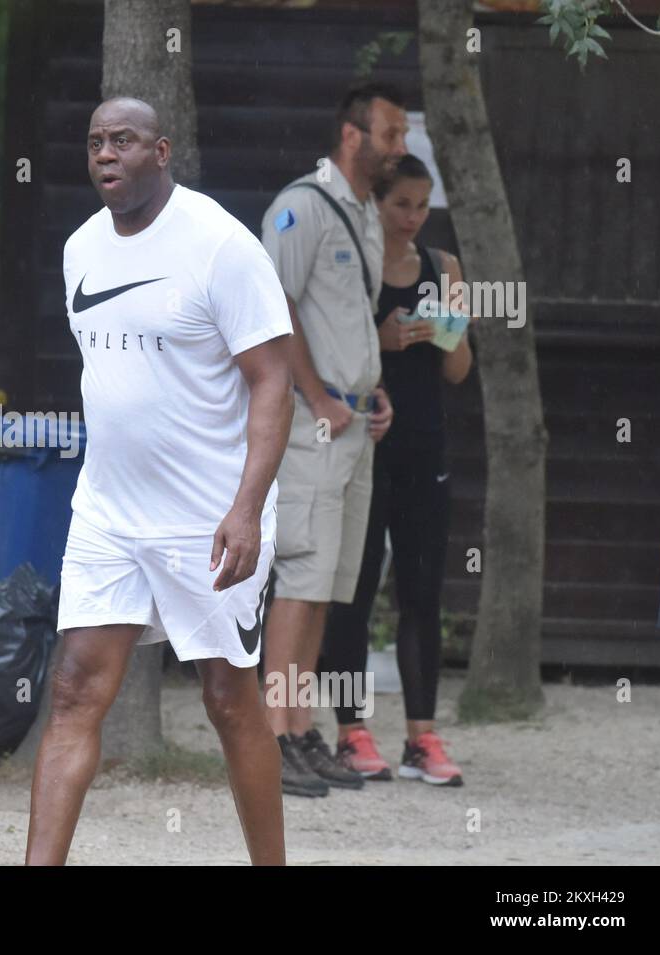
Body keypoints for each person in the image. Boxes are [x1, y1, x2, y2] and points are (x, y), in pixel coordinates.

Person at [25, 97, 294, 866]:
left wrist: (246, 509)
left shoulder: (219, 246)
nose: (106, 154)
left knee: (227, 698)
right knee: (75, 687)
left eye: (124, 141)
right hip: (109, 513)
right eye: (95, 142)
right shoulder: (81, 248)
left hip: (209, 517)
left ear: (162, 150)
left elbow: (273, 380)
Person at [259, 83, 405, 797]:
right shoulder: (300, 207)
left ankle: (300, 726)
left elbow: (350, 321)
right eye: (391, 132)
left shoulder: (367, 216)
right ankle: (272, 734)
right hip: (312, 425)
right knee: (300, 578)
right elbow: (272, 306)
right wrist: (317, 395)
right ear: (352, 135)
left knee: (327, 588)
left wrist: (370, 392)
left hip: (354, 424)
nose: (400, 146)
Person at [322, 154, 473, 786]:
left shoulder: (446, 269)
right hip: (361, 449)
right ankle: (352, 731)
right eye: (400, 204)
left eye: (422, 204)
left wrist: (444, 329)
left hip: (424, 450)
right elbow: (330, 349)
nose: (412, 217)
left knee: (422, 593)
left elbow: (460, 370)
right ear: (375, 205)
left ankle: (422, 737)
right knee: (350, 595)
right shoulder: (353, 265)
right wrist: (381, 340)